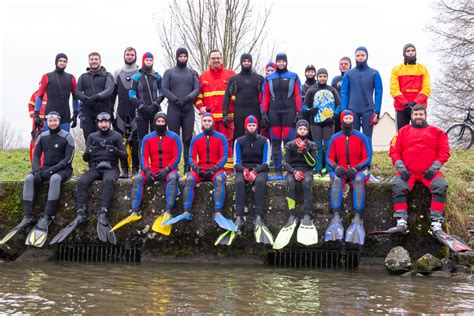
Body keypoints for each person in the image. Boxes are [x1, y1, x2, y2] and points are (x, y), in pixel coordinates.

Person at [385, 105, 470, 252]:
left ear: (425, 115)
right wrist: (400, 167)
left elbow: (444, 151)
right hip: (408, 172)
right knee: (398, 186)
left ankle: (436, 223)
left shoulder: (438, 132)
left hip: (429, 173)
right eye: (416, 114)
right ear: (411, 116)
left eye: (421, 114)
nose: (418, 117)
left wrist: (435, 167)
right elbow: (394, 151)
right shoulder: (402, 132)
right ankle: (401, 222)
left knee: (440, 186)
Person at [50, 112, 127, 245]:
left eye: (106, 122)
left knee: (109, 181)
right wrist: (89, 152)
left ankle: (103, 212)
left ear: (109, 123)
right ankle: (81, 212)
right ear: (97, 123)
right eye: (101, 122)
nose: (104, 124)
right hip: (95, 168)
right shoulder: (92, 136)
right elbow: (85, 158)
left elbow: (124, 156)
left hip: (111, 168)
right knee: (81, 181)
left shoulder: (117, 136)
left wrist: (115, 150)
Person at [0, 112, 74, 247]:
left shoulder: (67, 137)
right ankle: (28, 216)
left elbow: (68, 159)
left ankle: (47, 217)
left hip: (63, 170)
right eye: (50, 121)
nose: (52, 123)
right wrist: (36, 170)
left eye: (55, 121)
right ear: (47, 122)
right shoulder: (42, 136)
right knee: (29, 179)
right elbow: (36, 155)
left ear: (59, 121)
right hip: (45, 168)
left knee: (55, 179)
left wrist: (50, 171)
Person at [162, 113, 236, 232]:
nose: (207, 123)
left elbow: (224, 156)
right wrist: (196, 168)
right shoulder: (196, 138)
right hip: (200, 169)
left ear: (212, 122)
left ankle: (218, 212)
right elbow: (191, 157)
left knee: (219, 180)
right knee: (190, 179)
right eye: (205, 121)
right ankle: (187, 211)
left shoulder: (221, 137)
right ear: (202, 122)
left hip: (216, 170)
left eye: (209, 121)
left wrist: (215, 168)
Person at [112, 112, 182, 235]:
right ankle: (135, 211)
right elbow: (143, 155)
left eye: (162, 121)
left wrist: (167, 169)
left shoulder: (174, 137)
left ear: (166, 123)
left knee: (172, 178)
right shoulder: (148, 138)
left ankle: (168, 211)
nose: (160, 123)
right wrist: (146, 169)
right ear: (154, 123)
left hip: (169, 169)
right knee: (138, 178)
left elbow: (177, 156)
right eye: (158, 121)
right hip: (153, 168)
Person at [218, 115, 273, 246]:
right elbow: (236, 163)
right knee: (239, 182)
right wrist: (245, 171)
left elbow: (266, 163)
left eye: (253, 126)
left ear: (256, 127)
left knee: (259, 182)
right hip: (243, 168)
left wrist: (255, 171)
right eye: (249, 126)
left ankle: (258, 216)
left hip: (260, 169)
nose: (252, 128)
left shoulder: (265, 141)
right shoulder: (239, 141)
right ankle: (239, 216)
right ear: (246, 127)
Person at [324, 110, 371, 246]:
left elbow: (368, 157)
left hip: (360, 169)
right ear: (342, 120)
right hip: (342, 169)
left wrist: (356, 168)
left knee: (357, 180)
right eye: (346, 118)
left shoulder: (361, 136)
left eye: (351, 118)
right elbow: (329, 157)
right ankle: (336, 216)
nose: (349, 120)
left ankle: (357, 217)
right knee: (337, 180)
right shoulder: (335, 137)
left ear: (353, 120)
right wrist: (335, 167)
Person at [273, 119, 317, 250]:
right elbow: (286, 163)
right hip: (293, 170)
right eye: (300, 129)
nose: (302, 131)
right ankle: (292, 214)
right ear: (297, 130)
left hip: (307, 171)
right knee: (290, 182)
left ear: (307, 131)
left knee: (307, 182)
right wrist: (293, 172)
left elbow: (312, 163)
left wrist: (304, 151)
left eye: (305, 129)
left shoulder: (312, 145)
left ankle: (307, 214)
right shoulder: (290, 145)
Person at [261, 53, 303, 177]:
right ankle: (278, 171)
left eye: (283, 61)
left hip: (289, 112)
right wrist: (264, 112)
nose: (281, 63)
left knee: (289, 142)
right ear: (276, 63)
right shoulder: (269, 78)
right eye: (278, 61)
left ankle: (290, 171)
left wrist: (299, 112)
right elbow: (266, 96)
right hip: (273, 113)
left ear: (286, 62)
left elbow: (297, 95)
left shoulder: (293, 76)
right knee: (275, 142)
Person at [195, 50, 236, 173]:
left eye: (218, 58)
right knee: (211, 145)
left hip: (227, 118)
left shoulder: (231, 75)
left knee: (227, 144)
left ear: (222, 59)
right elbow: (198, 97)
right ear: (209, 60)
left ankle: (228, 172)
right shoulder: (203, 77)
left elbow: (236, 94)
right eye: (213, 58)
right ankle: (213, 169)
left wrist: (230, 108)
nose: (216, 60)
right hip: (210, 119)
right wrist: (201, 107)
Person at [162, 47, 200, 173]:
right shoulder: (169, 72)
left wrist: (186, 99)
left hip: (188, 108)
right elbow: (164, 89)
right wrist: (176, 100)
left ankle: (187, 167)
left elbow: (197, 89)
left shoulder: (193, 72)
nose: (183, 58)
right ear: (176, 57)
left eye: (185, 56)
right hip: (174, 108)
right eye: (180, 56)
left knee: (187, 138)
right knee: (174, 137)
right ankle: (173, 167)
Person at [340, 47, 382, 149]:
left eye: (362, 55)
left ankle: (367, 164)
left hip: (368, 110)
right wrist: (344, 111)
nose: (360, 57)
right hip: (352, 109)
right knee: (354, 138)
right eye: (358, 55)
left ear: (367, 56)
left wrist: (377, 111)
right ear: (355, 57)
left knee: (367, 138)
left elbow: (378, 92)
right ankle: (355, 163)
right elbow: (344, 93)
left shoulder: (374, 73)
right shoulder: (348, 74)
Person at [304, 68, 340, 178]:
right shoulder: (311, 90)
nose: (322, 78)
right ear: (317, 77)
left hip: (329, 122)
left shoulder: (332, 90)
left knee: (328, 145)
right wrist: (309, 110)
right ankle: (318, 168)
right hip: (315, 122)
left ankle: (329, 168)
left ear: (327, 77)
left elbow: (339, 104)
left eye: (324, 76)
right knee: (317, 146)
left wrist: (335, 115)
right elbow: (304, 105)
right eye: (320, 76)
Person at [111, 47, 140, 178]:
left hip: (137, 113)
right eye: (127, 54)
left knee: (136, 141)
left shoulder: (140, 72)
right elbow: (112, 95)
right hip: (121, 113)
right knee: (120, 143)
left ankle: (135, 168)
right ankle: (124, 169)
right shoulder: (117, 72)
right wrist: (110, 112)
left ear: (135, 56)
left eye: (132, 55)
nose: (129, 57)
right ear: (124, 56)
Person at [223, 53, 264, 140]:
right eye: (244, 61)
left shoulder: (259, 79)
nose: (246, 63)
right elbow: (227, 97)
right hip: (239, 113)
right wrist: (224, 114)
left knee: (256, 138)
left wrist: (265, 114)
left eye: (248, 61)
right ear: (241, 62)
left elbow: (265, 97)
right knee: (239, 138)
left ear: (251, 62)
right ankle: (237, 154)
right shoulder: (234, 79)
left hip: (255, 112)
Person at [390, 43, 431, 130]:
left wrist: (414, 103)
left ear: (415, 52)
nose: (410, 52)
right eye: (408, 51)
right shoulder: (397, 69)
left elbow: (426, 89)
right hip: (401, 108)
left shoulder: (423, 68)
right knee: (401, 135)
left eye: (412, 50)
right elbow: (394, 89)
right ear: (404, 53)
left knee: (420, 134)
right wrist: (405, 103)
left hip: (419, 108)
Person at [34, 53, 78, 132]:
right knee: (47, 141)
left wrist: (75, 114)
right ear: (56, 62)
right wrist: (36, 115)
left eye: (64, 61)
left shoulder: (71, 78)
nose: (62, 63)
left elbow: (75, 97)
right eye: (60, 60)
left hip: (65, 116)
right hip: (49, 114)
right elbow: (39, 96)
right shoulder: (46, 76)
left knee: (64, 141)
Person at [75, 52, 115, 141]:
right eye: (92, 59)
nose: (94, 61)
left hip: (103, 110)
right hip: (87, 112)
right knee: (89, 139)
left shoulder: (107, 75)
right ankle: (89, 155)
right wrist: (86, 99)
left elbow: (109, 90)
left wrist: (95, 98)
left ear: (100, 61)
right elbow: (77, 92)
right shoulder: (83, 77)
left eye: (96, 59)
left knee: (103, 139)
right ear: (89, 61)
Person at [129, 52, 164, 148]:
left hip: (155, 110)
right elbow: (131, 95)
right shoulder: (136, 77)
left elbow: (162, 93)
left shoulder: (158, 76)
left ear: (153, 61)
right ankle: (143, 163)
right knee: (142, 140)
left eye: (151, 60)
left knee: (156, 138)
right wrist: (141, 106)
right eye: (147, 60)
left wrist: (155, 104)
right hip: (141, 111)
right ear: (143, 61)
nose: (149, 62)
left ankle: (155, 162)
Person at [331, 57, 352, 134]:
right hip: (338, 109)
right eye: (341, 64)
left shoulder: (353, 78)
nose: (343, 65)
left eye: (346, 64)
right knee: (338, 132)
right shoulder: (335, 79)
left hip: (350, 108)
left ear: (350, 65)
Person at [28, 85, 47, 163]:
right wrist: (34, 117)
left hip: (48, 121)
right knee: (36, 139)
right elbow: (30, 106)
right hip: (37, 122)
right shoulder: (35, 94)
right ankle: (36, 161)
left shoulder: (50, 94)